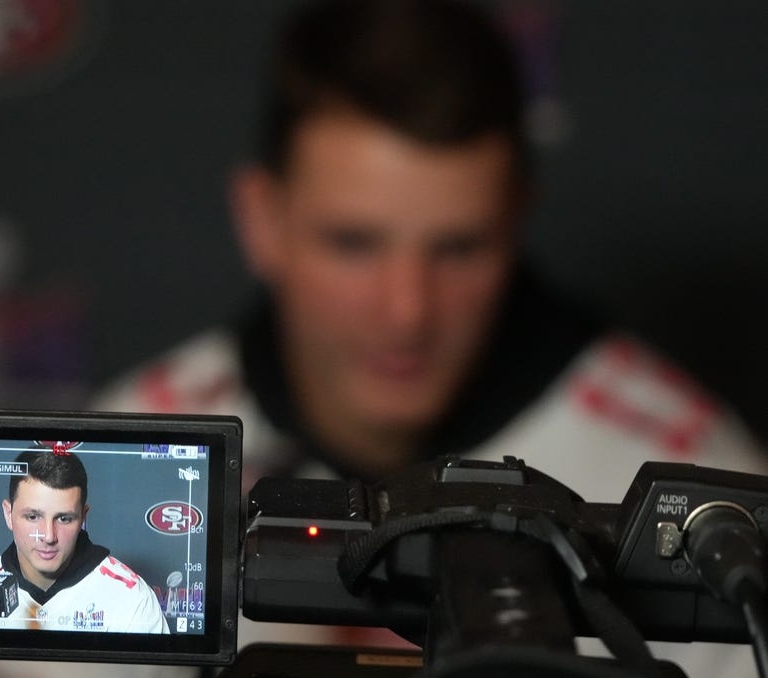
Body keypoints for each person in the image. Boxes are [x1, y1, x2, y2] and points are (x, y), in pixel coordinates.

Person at [91, 0, 767, 676]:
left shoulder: (687, 494)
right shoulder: (131, 464)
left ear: (516, 220)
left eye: (459, 247)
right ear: (260, 218)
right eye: (353, 243)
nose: (405, 312)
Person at [0, 450, 169, 633]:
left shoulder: (130, 598)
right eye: (33, 517)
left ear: (83, 517)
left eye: (64, 518)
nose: (49, 536)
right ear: (8, 514)